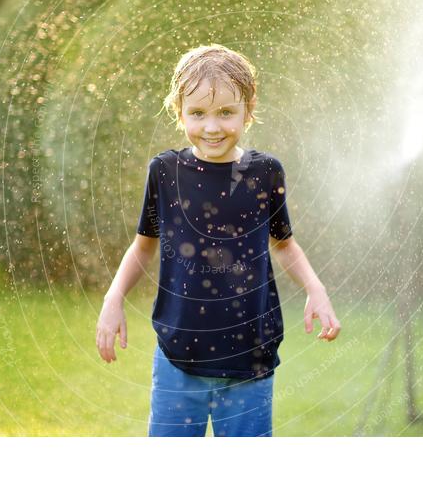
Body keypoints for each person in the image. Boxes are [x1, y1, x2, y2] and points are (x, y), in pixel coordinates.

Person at [96, 44, 341, 437]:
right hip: (178, 357)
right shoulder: (165, 171)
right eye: (197, 113)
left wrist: (316, 289)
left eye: (226, 112)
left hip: (250, 357)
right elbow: (144, 244)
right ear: (179, 112)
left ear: (248, 108)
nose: (212, 127)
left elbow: (284, 244)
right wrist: (113, 299)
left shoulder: (264, 172)